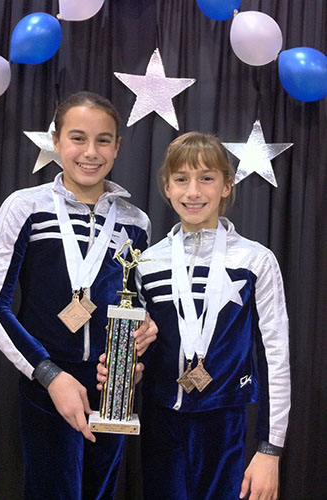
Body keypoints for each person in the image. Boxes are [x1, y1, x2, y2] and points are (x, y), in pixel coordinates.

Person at [0, 91, 157, 500]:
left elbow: (135, 299)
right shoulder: (26, 207)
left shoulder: (136, 221)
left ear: (117, 146)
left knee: (101, 493)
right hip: (47, 383)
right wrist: (49, 374)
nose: (90, 152)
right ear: (56, 142)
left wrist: (140, 340)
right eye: (78, 138)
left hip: (112, 387)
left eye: (103, 140)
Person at [97, 132, 290, 500]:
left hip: (228, 421)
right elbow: (141, 344)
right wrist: (124, 368)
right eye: (181, 179)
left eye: (207, 178)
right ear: (166, 187)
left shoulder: (255, 259)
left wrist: (270, 449)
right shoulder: (147, 261)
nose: (193, 192)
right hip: (160, 420)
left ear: (227, 185)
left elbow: (275, 356)